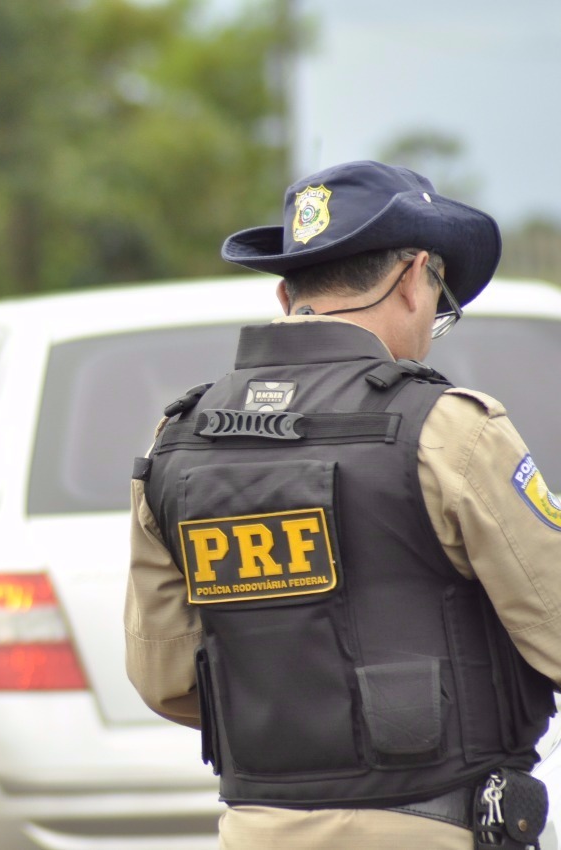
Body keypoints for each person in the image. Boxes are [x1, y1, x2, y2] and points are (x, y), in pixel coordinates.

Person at [124, 160, 559, 849]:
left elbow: (164, 678)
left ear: (284, 294)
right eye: (440, 295)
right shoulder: (449, 426)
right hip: (435, 825)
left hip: (256, 829)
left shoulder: (176, 439)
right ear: (414, 275)